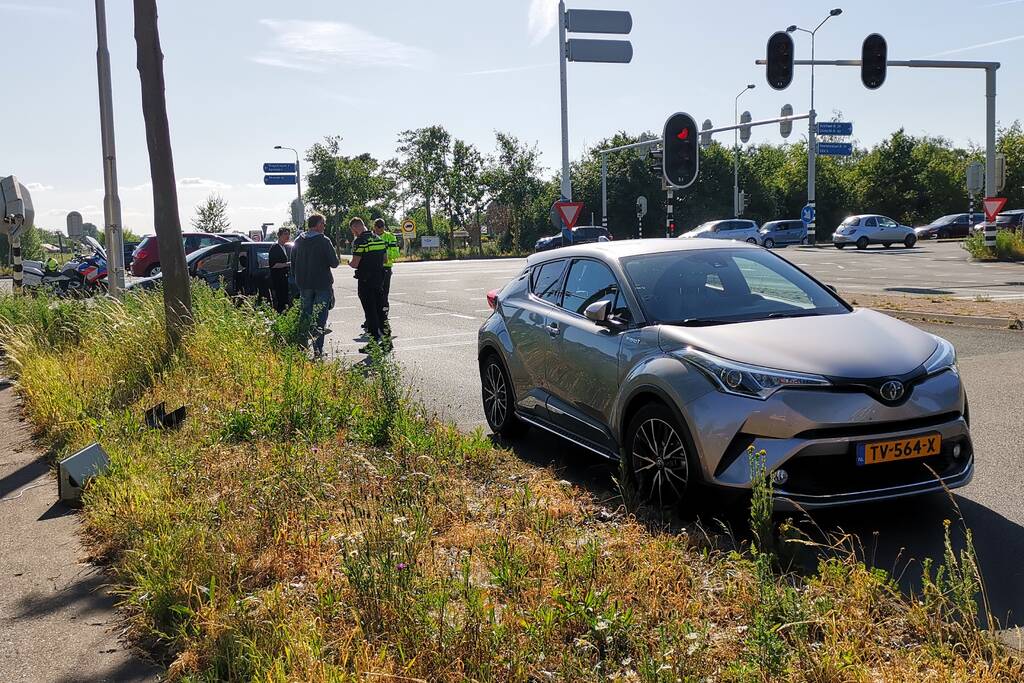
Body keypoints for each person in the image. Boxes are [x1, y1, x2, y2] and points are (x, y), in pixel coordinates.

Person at [292, 214, 339, 357]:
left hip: (304, 284)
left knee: (305, 315)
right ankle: (318, 349)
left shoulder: (298, 240)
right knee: (320, 316)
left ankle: (302, 346)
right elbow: (334, 263)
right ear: (318, 224)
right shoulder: (324, 241)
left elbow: (292, 263)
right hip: (321, 284)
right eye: (323, 224)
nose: (324, 227)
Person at [348, 217, 388, 352]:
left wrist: (349, 262)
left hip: (366, 281)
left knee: (370, 312)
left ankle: (373, 341)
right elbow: (385, 259)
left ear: (355, 228)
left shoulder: (360, 242)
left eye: (352, 230)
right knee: (380, 310)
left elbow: (355, 263)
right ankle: (386, 340)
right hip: (379, 279)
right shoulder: (378, 239)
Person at [372, 218, 400, 326]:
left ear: (384, 227)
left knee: (384, 293)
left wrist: (385, 256)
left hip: (386, 267)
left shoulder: (390, 237)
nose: (379, 229)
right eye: (377, 227)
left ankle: (384, 316)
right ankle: (371, 317)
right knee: (373, 294)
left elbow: (396, 253)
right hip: (374, 269)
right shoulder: (371, 237)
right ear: (374, 227)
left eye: (381, 227)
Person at [268, 227, 292, 313]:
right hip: (277, 279)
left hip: (284, 278)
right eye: (285, 234)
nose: (287, 236)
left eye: (288, 234)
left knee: (285, 300)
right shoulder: (275, 247)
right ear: (279, 235)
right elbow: (273, 265)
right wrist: (288, 264)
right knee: (280, 301)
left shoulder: (284, 247)